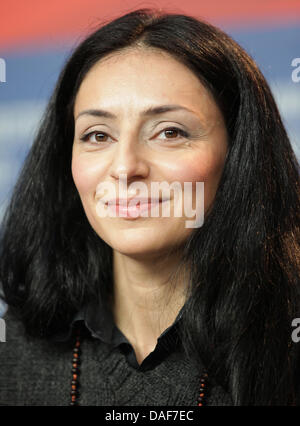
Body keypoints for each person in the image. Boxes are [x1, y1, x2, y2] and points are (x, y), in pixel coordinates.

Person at [0, 8, 299, 406]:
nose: (125, 167)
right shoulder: (16, 350)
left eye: (169, 132)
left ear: (239, 152)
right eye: (97, 134)